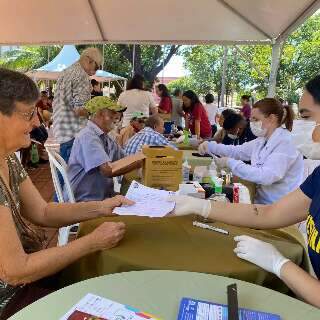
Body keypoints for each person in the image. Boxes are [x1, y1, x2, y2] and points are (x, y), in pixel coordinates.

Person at [171, 77, 320, 308]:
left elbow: (267, 176)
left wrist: (280, 264)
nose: (306, 128)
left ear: (271, 119)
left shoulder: (284, 144)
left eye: (307, 117)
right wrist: (201, 206)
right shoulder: (316, 175)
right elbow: (270, 213)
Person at [0, 68, 132, 319]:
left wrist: (102, 207)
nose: (38, 122)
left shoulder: (9, 160)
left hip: (26, 282)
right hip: (11, 302)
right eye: (29, 114)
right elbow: (14, 271)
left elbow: (43, 211)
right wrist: (92, 241)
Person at [199, 98, 303, 204]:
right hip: (260, 200)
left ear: (271, 118)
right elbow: (237, 151)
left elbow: (267, 176)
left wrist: (230, 162)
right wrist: (211, 146)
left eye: (256, 119)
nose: (252, 123)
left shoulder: (286, 142)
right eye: (251, 119)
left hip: (279, 205)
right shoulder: (262, 140)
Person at [67, 97, 143, 202]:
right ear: (99, 114)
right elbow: (107, 171)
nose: (116, 116)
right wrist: (140, 161)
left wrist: (142, 156)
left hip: (100, 197)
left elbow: (125, 159)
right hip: (85, 202)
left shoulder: (105, 137)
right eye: (111, 113)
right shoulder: (88, 136)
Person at [52, 47, 102, 164]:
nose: (96, 71)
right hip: (74, 134)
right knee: (73, 178)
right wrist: (96, 111)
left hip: (62, 131)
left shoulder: (66, 72)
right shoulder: (82, 76)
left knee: (66, 176)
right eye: (97, 66)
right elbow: (80, 110)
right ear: (90, 61)